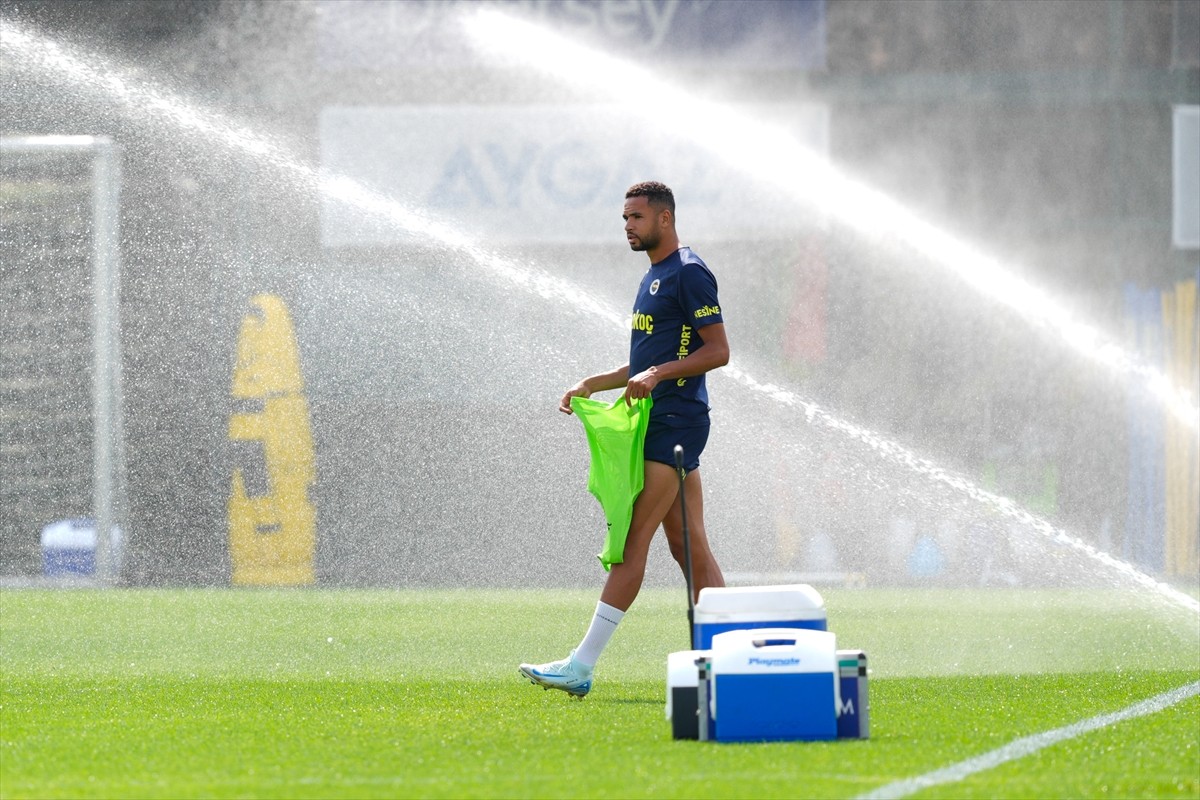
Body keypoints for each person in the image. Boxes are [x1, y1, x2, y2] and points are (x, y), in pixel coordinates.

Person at [519, 181, 729, 698]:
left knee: (630, 543)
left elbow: (718, 351)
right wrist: (595, 382)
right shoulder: (655, 277)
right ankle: (735, 653)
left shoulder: (689, 272)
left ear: (664, 218)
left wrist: (657, 375)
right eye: (624, 219)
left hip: (674, 421)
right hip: (663, 417)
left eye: (636, 218)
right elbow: (643, 361)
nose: (628, 227)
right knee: (689, 546)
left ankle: (580, 665)